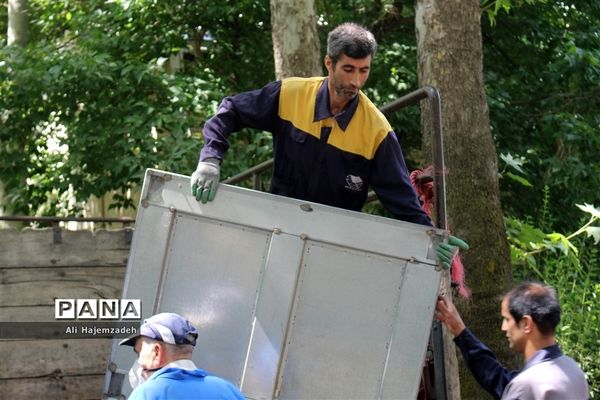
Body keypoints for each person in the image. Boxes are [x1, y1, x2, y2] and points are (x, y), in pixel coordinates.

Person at [190, 22, 467, 267]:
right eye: (348, 69)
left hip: (334, 244)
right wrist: (210, 160)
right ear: (329, 63)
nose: (356, 81)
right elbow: (229, 111)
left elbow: (402, 199)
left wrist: (431, 237)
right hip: (278, 228)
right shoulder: (290, 94)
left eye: (364, 71)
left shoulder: (377, 131)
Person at [435, 282, 589, 400]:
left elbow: (515, 388)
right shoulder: (573, 371)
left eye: (507, 319)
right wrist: (460, 330)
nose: (503, 327)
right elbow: (502, 382)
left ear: (527, 324)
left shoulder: (526, 386)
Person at [119, 312, 244, 400]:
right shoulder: (229, 390)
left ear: (156, 352)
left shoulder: (148, 394)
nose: (139, 361)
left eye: (139, 352)